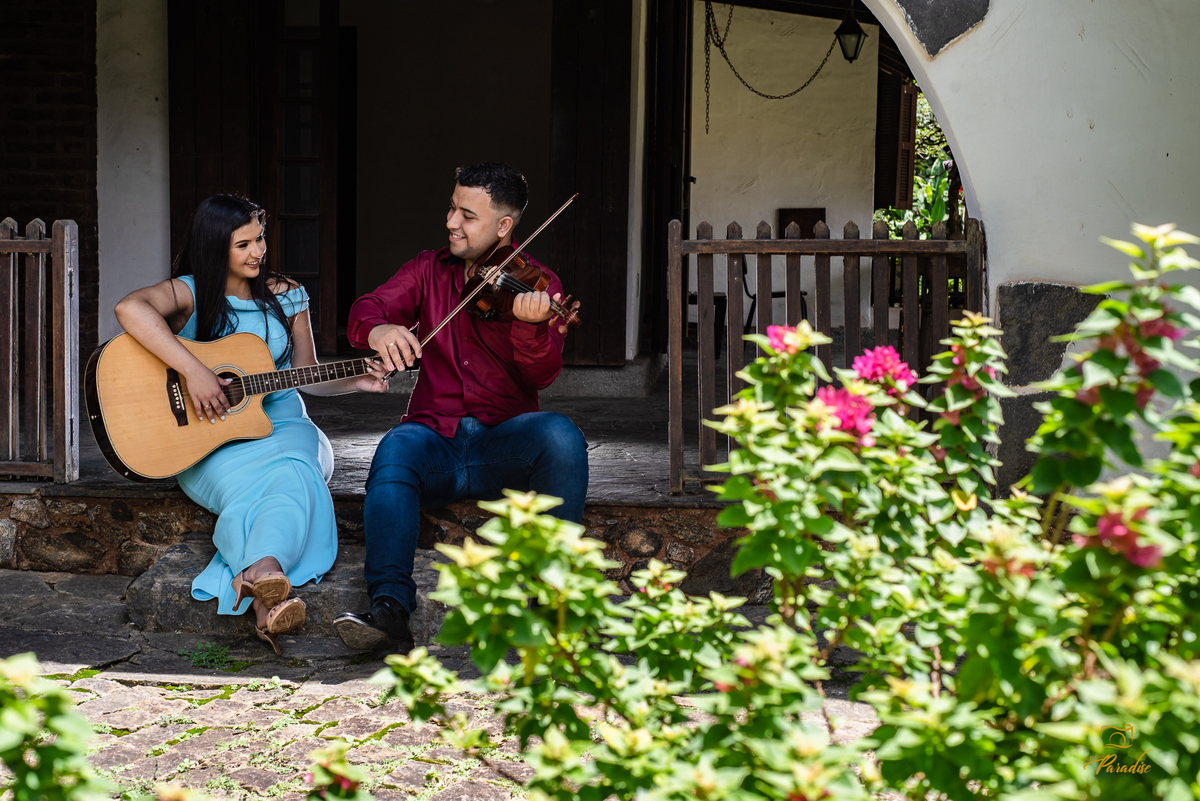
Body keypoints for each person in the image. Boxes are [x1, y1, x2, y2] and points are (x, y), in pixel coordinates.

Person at [114, 194, 389, 655]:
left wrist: (353, 381)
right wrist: (194, 370)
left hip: (284, 423)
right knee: (279, 481)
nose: (257, 252)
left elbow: (307, 374)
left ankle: (260, 579)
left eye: (260, 238)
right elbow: (129, 309)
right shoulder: (189, 292)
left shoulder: (288, 296)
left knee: (295, 467)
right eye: (243, 244)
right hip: (210, 436)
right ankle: (265, 590)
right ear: (215, 247)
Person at [334, 162, 589, 652]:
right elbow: (366, 309)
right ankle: (389, 609)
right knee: (396, 449)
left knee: (560, 436)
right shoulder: (428, 271)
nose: (451, 221)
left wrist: (532, 326)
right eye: (452, 208)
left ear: (503, 226)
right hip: (436, 438)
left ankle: (551, 609)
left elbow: (543, 375)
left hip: (503, 443)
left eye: (466, 215)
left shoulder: (537, 286)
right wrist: (380, 330)